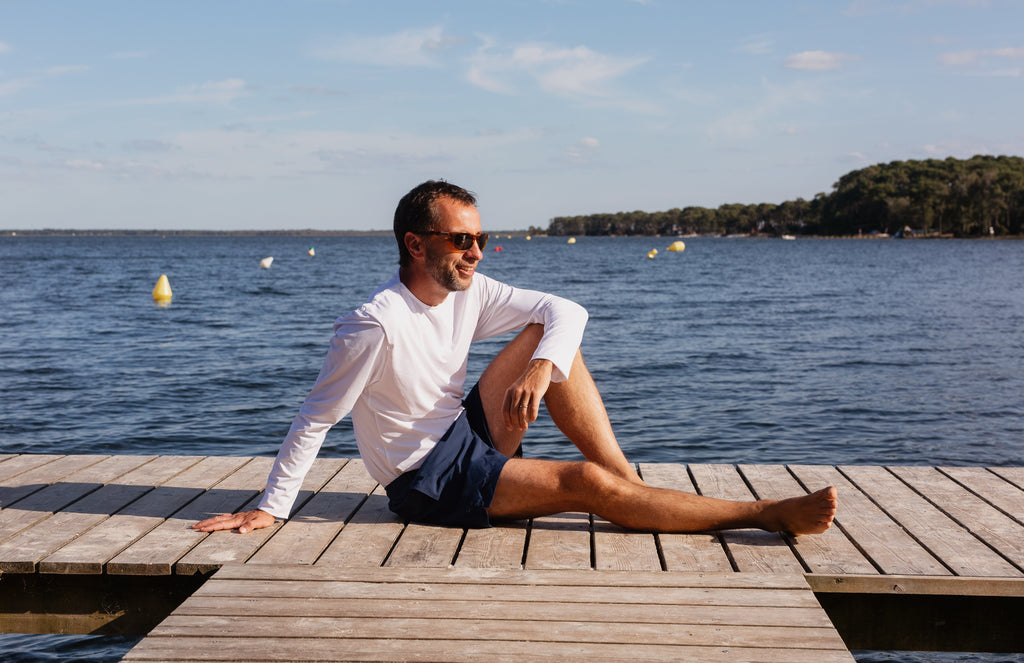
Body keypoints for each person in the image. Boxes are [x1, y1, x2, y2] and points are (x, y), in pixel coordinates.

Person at [195, 180, 836, 536]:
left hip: (466, 433)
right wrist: (272, 506)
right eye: (461, 240)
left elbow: (569, 313)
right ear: (416, 244)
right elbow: (316, 418)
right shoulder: (373, 325)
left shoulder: (472, 294)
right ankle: (765, 514)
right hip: (428, 481)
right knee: (581, 485)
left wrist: (539, 367)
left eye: (481, 238)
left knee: (549, 341)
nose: (476, 252)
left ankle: (632, 489)